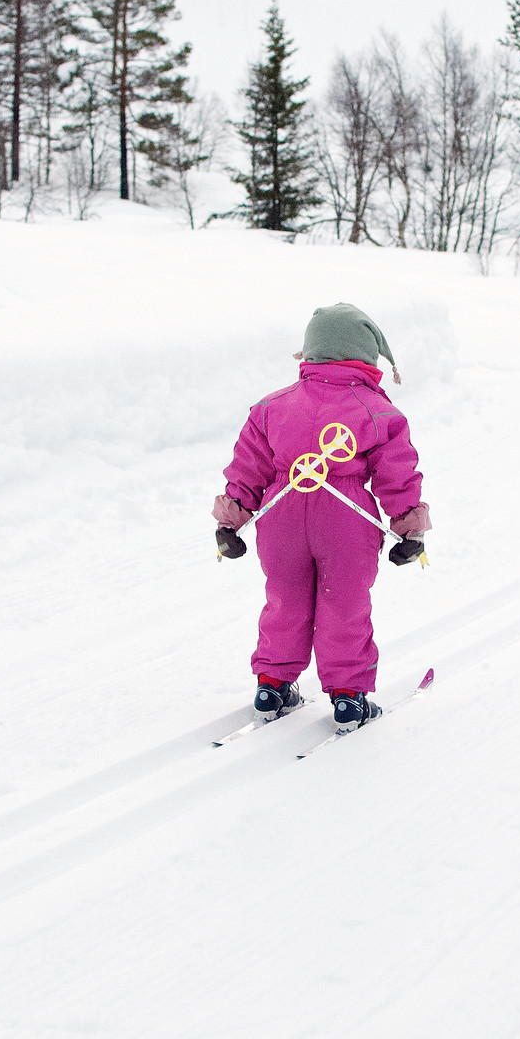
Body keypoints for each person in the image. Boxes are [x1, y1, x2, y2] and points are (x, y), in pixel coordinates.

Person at [213, 304, 431, 728]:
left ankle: (272, 683)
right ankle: (350, 696)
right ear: (366, 355)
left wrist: (231, 520)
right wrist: (409, 529)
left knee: (285, 599)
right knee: (344, 603)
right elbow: (396, 475)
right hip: (346, 522)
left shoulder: (271, 408)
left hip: (282, 516)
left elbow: (248, 466)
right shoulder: (379, 412)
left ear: (311, 351)